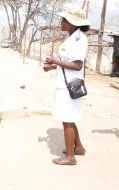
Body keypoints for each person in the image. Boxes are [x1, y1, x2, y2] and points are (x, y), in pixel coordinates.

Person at [43, 9, 89, 165]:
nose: (61, 23)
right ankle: (79, 148)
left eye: (64, 20)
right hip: (65, 83)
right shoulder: (72, 38)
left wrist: (56, 61)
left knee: (67, 119)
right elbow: (68, 63)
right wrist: (53, 67)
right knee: (69, 117)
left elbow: (77, 65)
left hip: (70, 86)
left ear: (73, 23)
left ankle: (70, 157)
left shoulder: (80, 40)